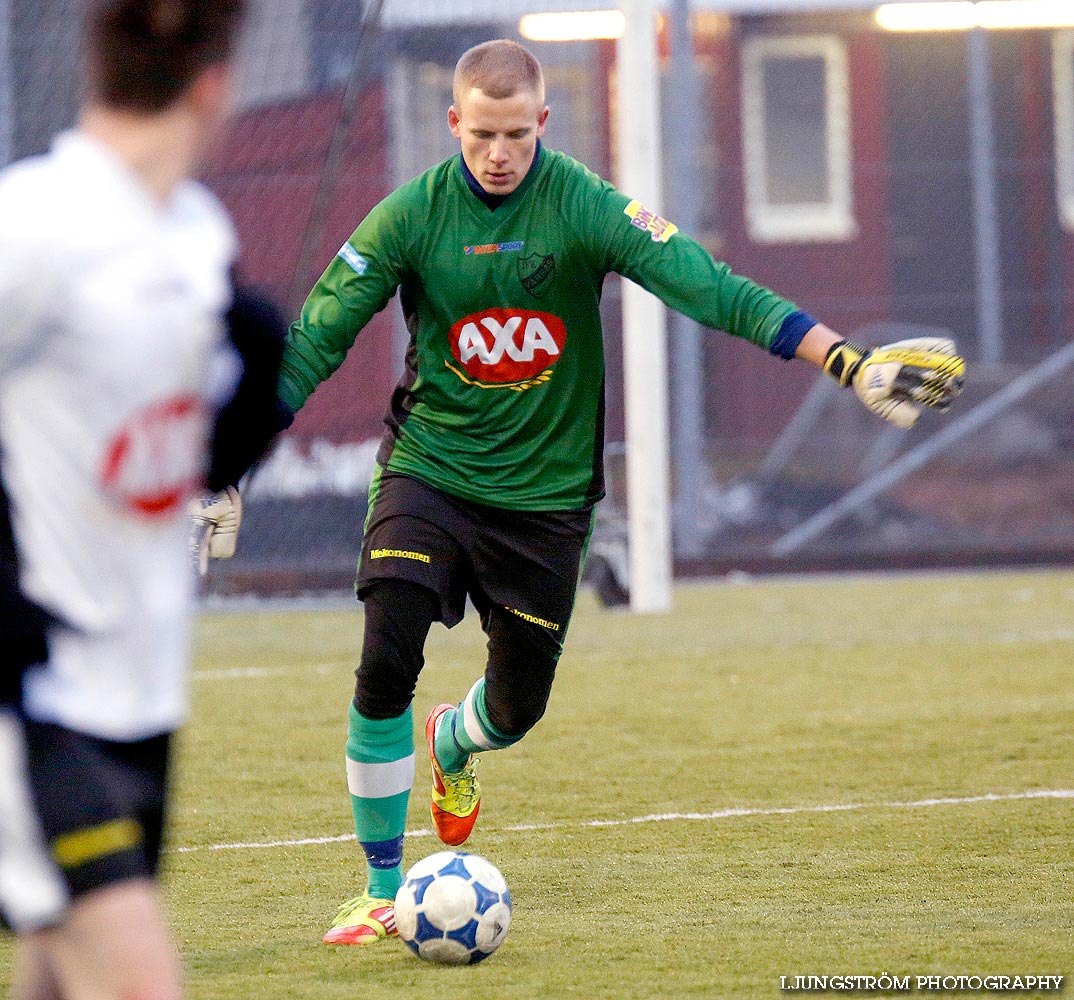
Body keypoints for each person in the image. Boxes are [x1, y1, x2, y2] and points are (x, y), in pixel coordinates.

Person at [268, 39, 965, 946]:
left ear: (543, 125)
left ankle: (453, 744)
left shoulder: (587, 208)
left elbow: (709, 288)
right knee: (384, 651)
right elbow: (318, 335)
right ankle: (379, 890)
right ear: (455, 124)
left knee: (515, 712)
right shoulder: (409, 217)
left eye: (517, 134)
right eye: (482, 134)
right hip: (431, 471)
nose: (499, 153)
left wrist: (844, 357)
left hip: (550, 500)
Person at [0, 2, 285, 997]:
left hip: (138, 698)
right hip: (33, 704)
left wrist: (258, 377)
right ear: (218, 85)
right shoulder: (33, 228)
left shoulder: (194, 238)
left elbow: (190, 459)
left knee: (55, 978)